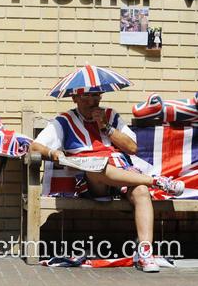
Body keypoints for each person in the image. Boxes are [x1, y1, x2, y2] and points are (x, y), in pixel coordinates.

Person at [30, 91, 185, 273]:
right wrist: (53, 153)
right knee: (96, 167)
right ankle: (156, 181)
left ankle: (145, 253)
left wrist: (106, 127)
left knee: (141, 191)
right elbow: (34, 146)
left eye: (96, 96)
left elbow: (132, 148)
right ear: (74, 99)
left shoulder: (110, 116)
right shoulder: (64, 121)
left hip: (122, 172)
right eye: (85, 97)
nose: (91, 101)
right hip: (94, 180)